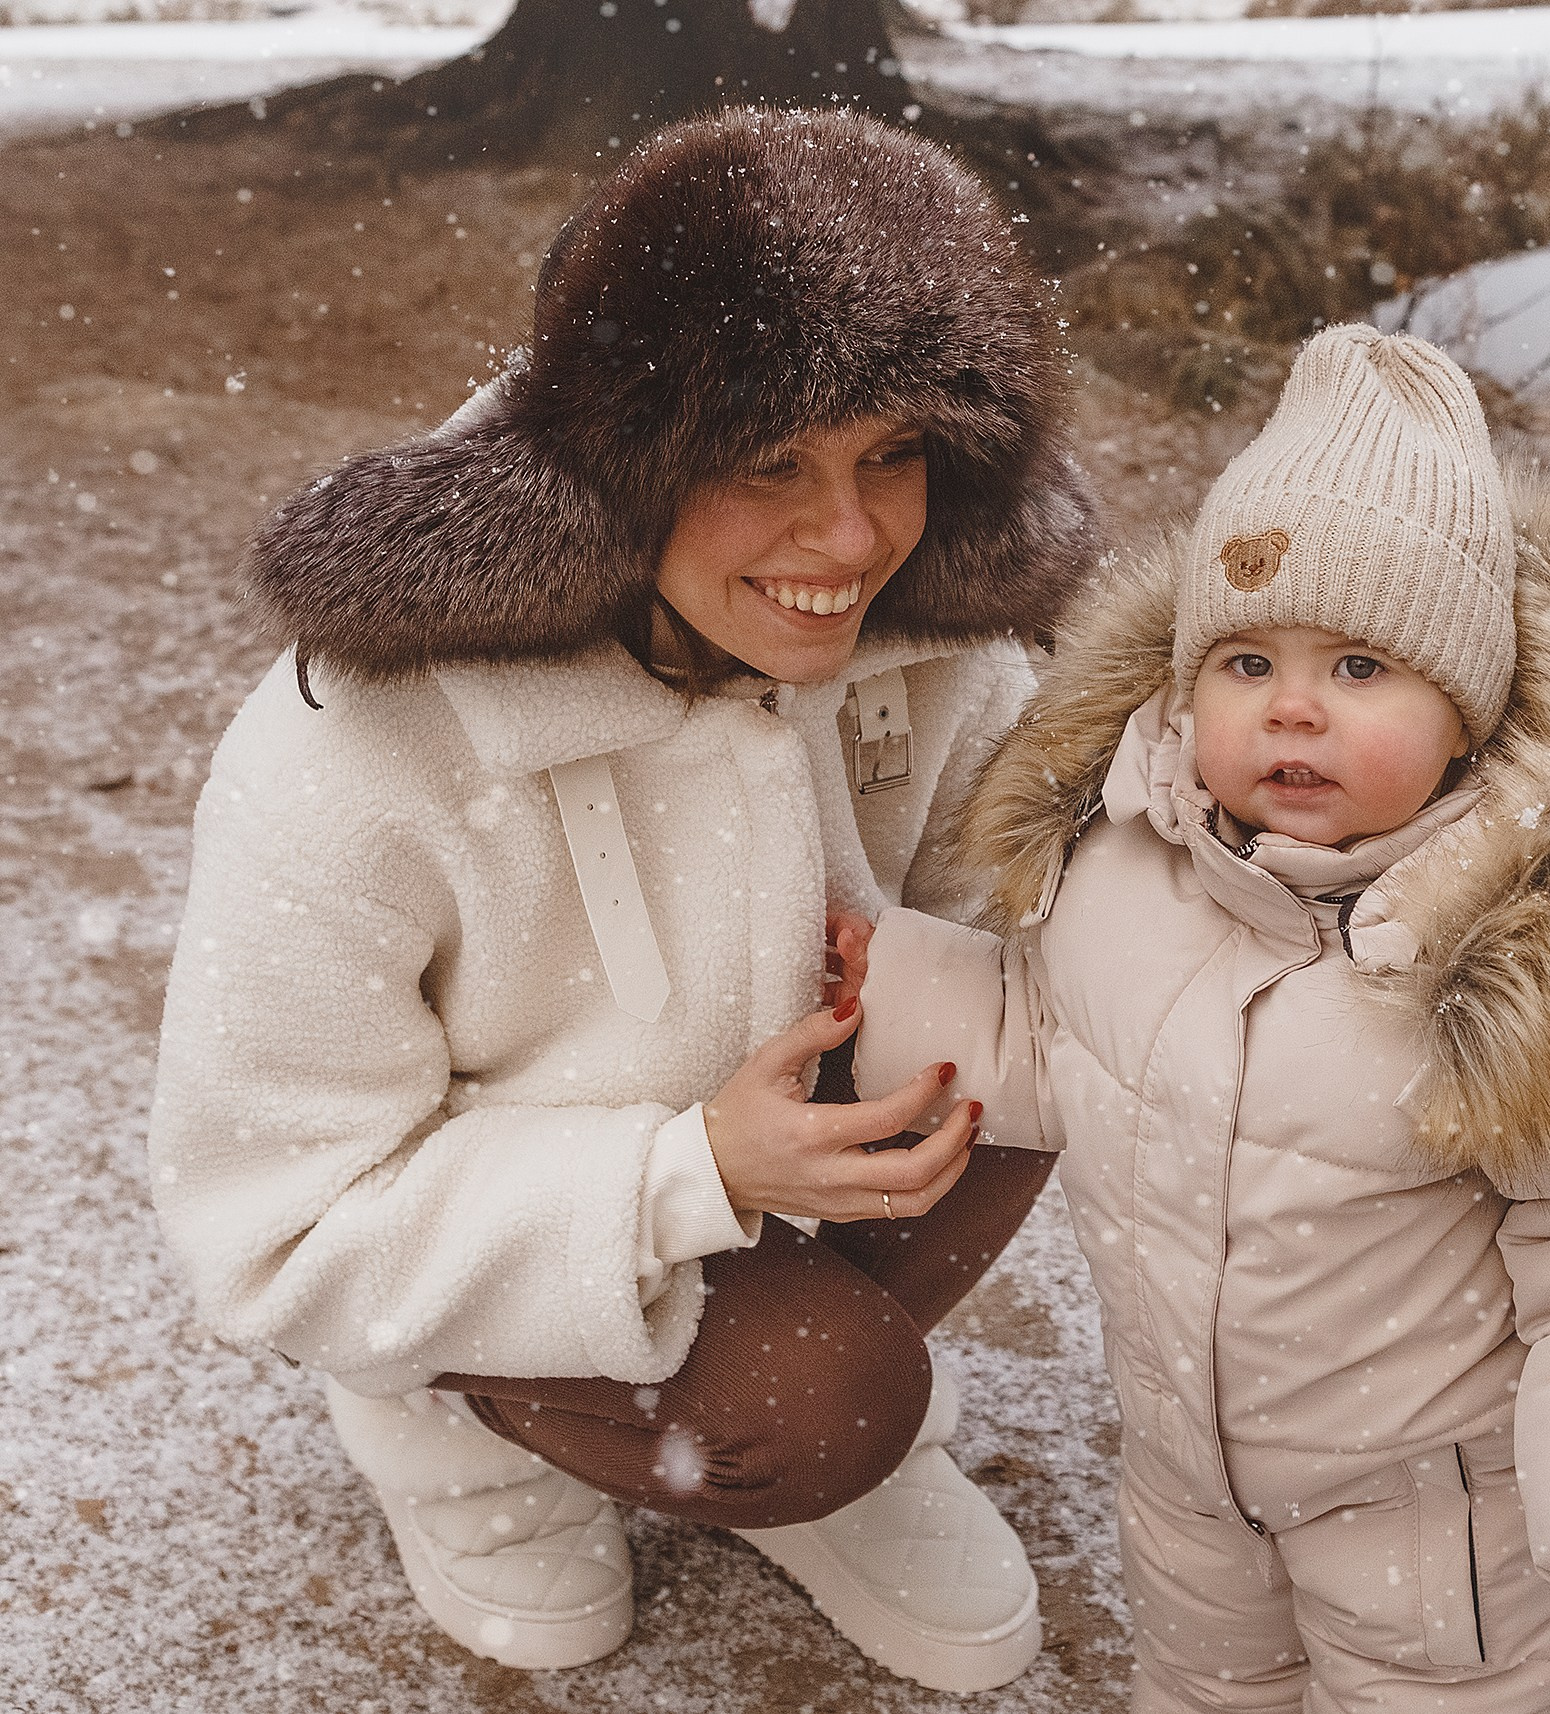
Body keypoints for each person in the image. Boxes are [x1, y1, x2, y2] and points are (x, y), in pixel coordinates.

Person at [146, 107, 1100, 1688]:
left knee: (1038, 1049)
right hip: (480, 1222)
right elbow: (278, 1223)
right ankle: (453, 1422)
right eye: (763, 461)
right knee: (825, 1398)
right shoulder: (361, 742)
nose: (849, 540)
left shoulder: (947, 650)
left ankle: (773, 1435)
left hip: (755, 1175)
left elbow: (1048, 938)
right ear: (622, 462)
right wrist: (693, 1171)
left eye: (892, 456)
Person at [846, 326, 1550, 1709]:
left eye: (1361, 668)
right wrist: (881, 985)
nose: (1293, 705)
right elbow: (1056, 1038)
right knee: (1204, 1687)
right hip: (1187, 1490)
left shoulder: (1541, 961)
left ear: (1466, 713)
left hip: (1441, 1529)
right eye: (1245, 662)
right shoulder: (1130, 865)